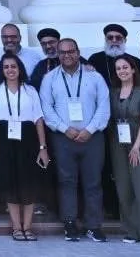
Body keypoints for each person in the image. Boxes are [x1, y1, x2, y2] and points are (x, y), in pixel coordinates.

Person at [39, 38, 110, 242]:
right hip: (63, 138)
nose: (66, 55)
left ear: (78, 53)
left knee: (93, 182)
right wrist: (64, 128)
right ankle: (69, 223)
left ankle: (93, 225)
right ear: (57, 54)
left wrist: (90, 129)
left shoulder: (94, 77)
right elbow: (47, 108)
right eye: (62, 52)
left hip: (93, 137)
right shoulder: (50, 78)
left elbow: (103, 106)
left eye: (71, 51)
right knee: (66, 181)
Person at [0, 54, 50, 241]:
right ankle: (16, 227)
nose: (10, 70)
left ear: (20, 68)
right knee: (10, 184)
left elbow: (38, 119)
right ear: (1, 70)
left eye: (13, 66)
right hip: (5, 140)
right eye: (6, 67)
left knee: (28, 184)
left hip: (28, 140)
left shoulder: (30, 90)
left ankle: (28, 228)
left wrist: (43, 147)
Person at [108, 54, 140, 244]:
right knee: (124, 188)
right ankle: (132, 230)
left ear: (133, 69)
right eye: (118, 68)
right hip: (118, 145)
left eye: (125, 67)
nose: (122, 71)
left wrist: (136, 147)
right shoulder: (112, 93)